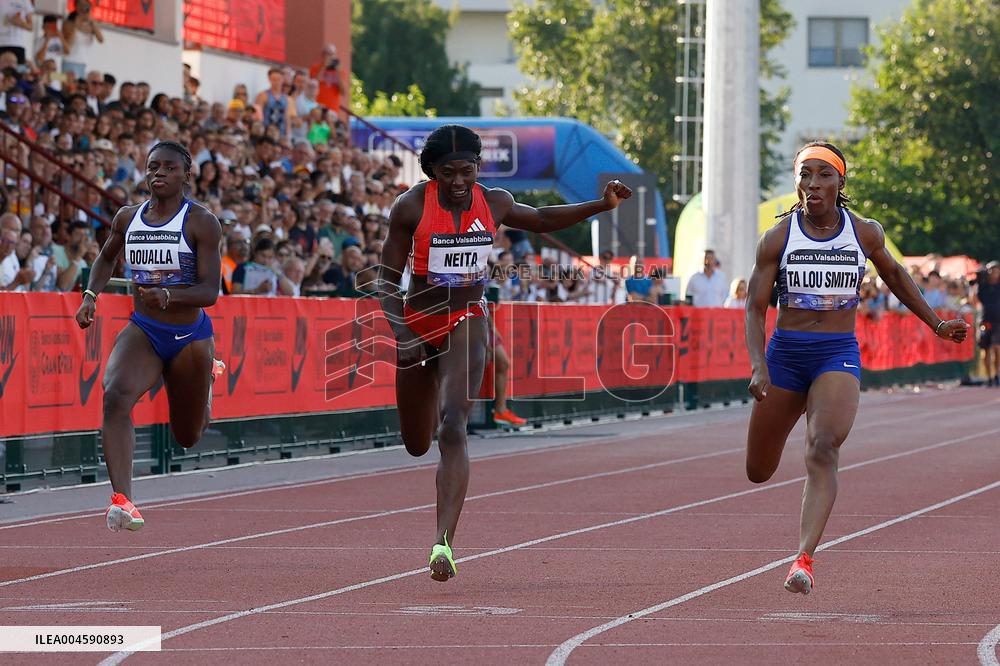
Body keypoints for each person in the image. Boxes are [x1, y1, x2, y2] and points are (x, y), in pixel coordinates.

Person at [377, 124, 631, 581]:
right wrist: (402, 333)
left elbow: (545, 218)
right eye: (449, 173)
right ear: (432, 172)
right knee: (416, 443)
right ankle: (438, 515)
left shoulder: (493, 202)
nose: (459, 182)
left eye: (467, 172)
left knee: (453, 426)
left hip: (467, 319)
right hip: (416, 322)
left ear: (479, 169)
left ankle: (443, 544)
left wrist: (601, 205)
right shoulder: (411, 206)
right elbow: (383, 280)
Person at [744, 142, 968, 594]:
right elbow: (753, 307)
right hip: (786, 355)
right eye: (804, 175)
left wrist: (936, 323)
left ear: (840, 183)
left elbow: (897, 276)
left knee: (822, 447)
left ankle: (803, 560)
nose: (812, 184)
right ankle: (798, 528)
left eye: (823, 175)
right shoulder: (778, 238)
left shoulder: (864, 233)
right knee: (758, 471)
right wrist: (758, 365)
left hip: (836, 353)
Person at [76, 141, 225, 533]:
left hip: (190, 335)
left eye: (168, 168)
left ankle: (207, 379)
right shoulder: (128, 218)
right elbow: (108, 257)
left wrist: (170, 294)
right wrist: (91, 294)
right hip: (144, 329)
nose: (158, 173)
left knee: (188, 435)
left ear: (185, 175)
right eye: (152, 166)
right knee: (115, 395)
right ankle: (123, 501)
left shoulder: (201, 222)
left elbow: (211, 290)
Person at [977, 261, 1000, 386]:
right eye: (992, 270)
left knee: (997, 348)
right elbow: (979, 298)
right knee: (985, 349)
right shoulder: (983, 286)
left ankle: (997, 374)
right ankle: (989, 376)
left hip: (998, 321)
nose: (995, 273)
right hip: (986, 320)